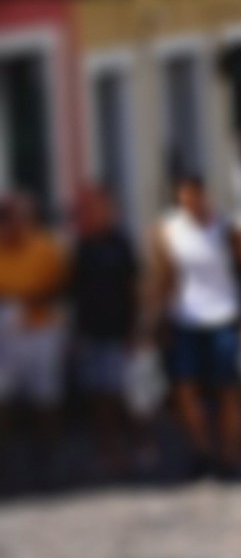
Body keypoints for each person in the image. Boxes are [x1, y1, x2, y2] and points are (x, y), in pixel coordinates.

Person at [149, 173, 241, 480]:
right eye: (185, 199)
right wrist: (155, 318)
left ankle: (230, 455)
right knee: (184, 388)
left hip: (224, 316)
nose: (191, 204)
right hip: (185, 319)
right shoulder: (169, 232)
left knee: (228, 388)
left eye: (195, 197)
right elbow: (166, 277)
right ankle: (201, 450)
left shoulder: (228, 230)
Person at [70, 184, 143, 480]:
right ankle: (108, 451)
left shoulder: (121, 245)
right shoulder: (83, 247)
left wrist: (135, 329)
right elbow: (76, 293)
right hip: (92, 332)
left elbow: (133, 289)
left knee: (122, 394)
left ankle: (136, 446)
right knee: (99, 397)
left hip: (119, 331)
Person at [0, 192, 69, 487]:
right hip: (5, 332)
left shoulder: (46, 246)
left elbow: (64, 287)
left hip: (41, 330)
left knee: (46, 398)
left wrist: (31, 300)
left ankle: (46, 460)